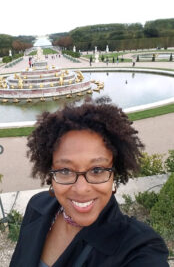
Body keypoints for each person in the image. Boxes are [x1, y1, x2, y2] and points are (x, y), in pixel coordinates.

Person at [10, 97, 169, 267]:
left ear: (114, 173)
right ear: (50, 173)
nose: (81, 189)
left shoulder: (138, 247)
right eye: (65, 171)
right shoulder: (37, 205)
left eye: (97, 170)